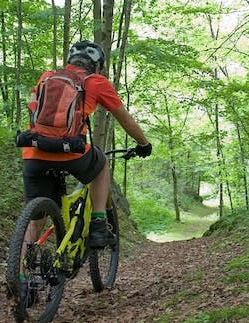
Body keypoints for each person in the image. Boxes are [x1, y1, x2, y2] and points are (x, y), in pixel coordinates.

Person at [21, 40, 152, 249]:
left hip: (34, 152)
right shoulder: (96, 82)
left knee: (35, 219)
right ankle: (98, 224)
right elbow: (125, 119)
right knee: (101, 164)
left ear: (70, 61)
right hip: (71, 153)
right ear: (97, 65)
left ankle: (18, 273)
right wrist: (143, 144)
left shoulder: (47, 77)